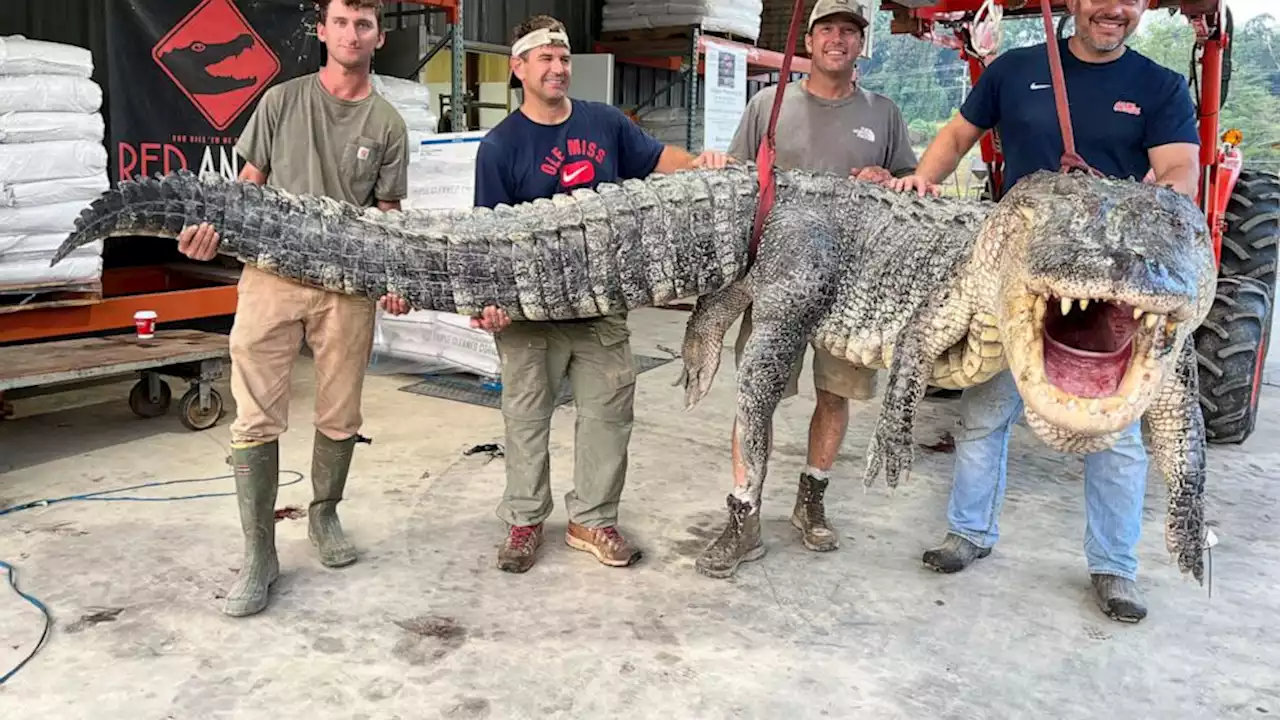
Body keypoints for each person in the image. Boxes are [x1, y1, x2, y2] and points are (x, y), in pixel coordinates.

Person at [891, 0, 1200, 623]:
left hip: (1112, 282)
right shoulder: (1014, 69)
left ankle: (1114, 566)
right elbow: (956, 135)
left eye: (1130, 0)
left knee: (1116, 436)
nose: (1114, 9)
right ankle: (969, 532)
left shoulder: (1159, 86)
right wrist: (923, 179)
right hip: (1022, 277)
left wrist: (1158, 202)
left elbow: (1179, 170)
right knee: (985, 413)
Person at [175, 0, 413, 617]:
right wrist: (211, 228)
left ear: (378, 36)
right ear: (324, 30)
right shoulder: (282, 100)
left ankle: (325, 516)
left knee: (340, 412)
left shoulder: (386, 122)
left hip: (347, 287)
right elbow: (246, 184)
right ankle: (260, 554)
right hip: (271, 277)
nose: (352, 33)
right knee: (255, 416)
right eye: (341, 21)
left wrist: (389, 272)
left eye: (364, 24)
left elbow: (386, 214)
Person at [469, 14, 731, 573]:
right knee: (526, 417)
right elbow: (486, 238)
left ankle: (592, 519)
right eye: (545, 58)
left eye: (564, 58)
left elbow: (663, 162)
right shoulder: (499, 147)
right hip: (528, 315)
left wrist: (703, 164)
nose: (558, 67)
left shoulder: (605, 123)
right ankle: (524, 520)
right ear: (519, 68)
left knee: (609, 415)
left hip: (601, 308)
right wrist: (487, 303)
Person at [696, 0, 918, 579]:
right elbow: (739, 182)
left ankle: (811, 497)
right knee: (756, 395)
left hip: (854, 290)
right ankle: (743, 512)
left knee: (835, 395)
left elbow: (910, 190)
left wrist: (889, 182)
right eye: (827, 30)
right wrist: (718, 162)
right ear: (810, 40)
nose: (837, 40)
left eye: (849, 31)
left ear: (860, 43)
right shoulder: (770, 106)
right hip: (776, 283)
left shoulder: (884, 113)